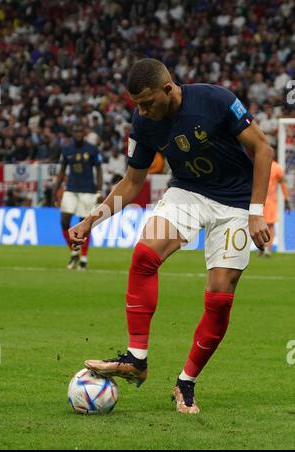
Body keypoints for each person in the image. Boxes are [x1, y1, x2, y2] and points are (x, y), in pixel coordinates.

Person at [68, 59, 273, 413]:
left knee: (220, 297)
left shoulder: (215, 100)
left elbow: (263, 149)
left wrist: (256, 213)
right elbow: (132, 182)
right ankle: (136, 359)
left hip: (236, 205)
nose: (142, 111)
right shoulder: (144, 123)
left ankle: (186, 383)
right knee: (144, 255)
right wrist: (91, 220)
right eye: (136, 105)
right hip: (188, 194)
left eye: (147, 102)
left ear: (168, 89)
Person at [54, 124, 103, 270]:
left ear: (84, 133)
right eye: (76, 131)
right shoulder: (67, 149)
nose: (78, 133)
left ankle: (83, 257)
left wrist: (99, 190)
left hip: (88, 190)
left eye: (80, 131)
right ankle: (74, 252)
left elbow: (99, 170)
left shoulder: (92, 149)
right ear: (72, 133)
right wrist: (55, 190)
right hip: (71, 189)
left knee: (84, 225)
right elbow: (62, 171)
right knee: (64, 221)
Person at [261, 159, 291, 256]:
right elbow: (283, 184)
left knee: (267, 225)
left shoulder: (260, 164)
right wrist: (287, 200)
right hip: (268, 200)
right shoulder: (276, 167)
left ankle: (265, 249)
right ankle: (266, 249)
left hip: (261, 200)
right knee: (269, 225)